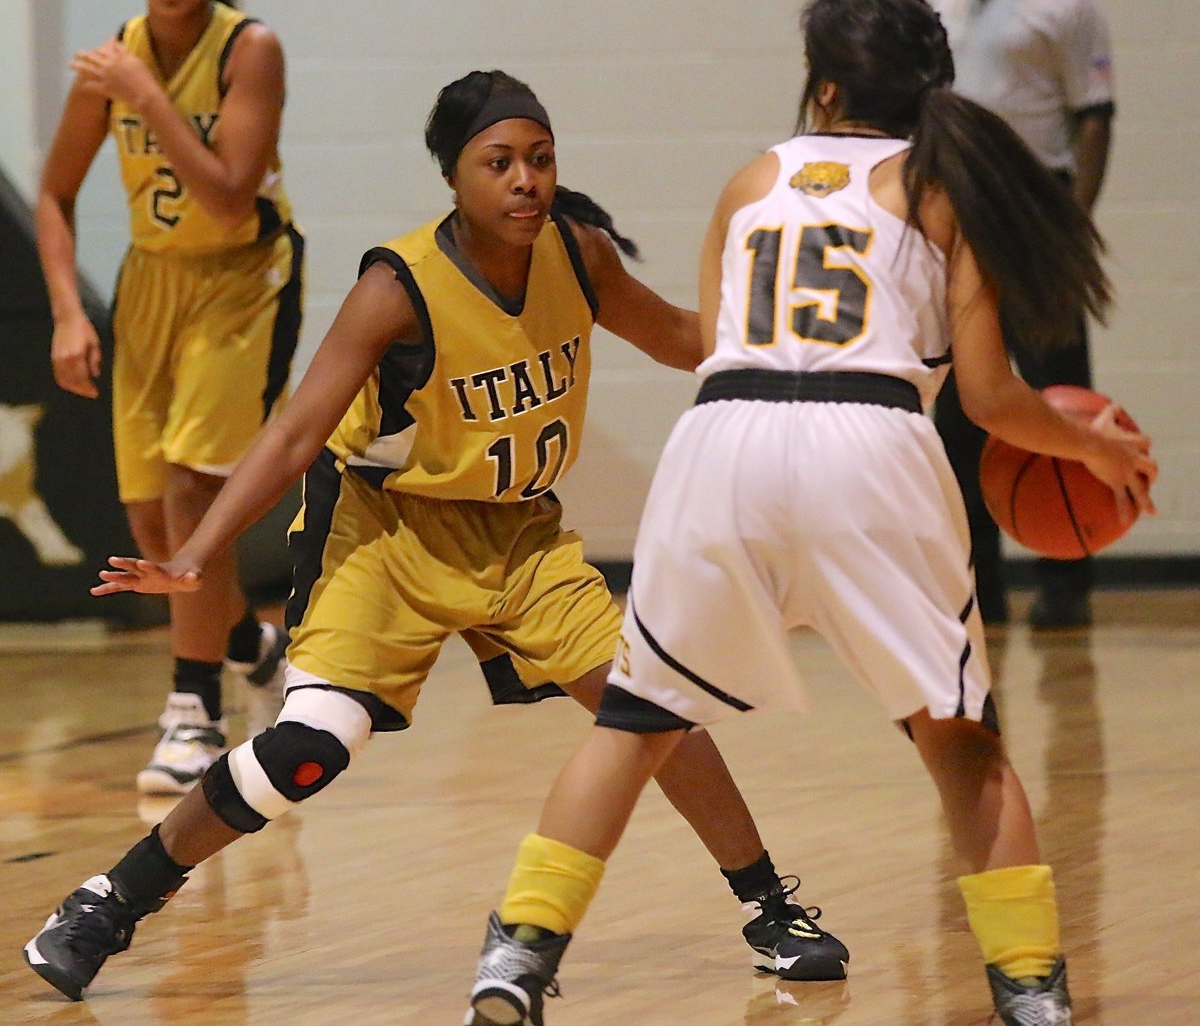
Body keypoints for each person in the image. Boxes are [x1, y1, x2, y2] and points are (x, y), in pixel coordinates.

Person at [22, 70, 849, 1003]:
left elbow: (671, 335)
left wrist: (798, 344)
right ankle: (112, 899)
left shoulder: (578, 253)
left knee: (649, 705)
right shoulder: (397, 286)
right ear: (454, 179)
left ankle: (770, 908)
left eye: (540, 159)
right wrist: (197, 554)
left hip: (518, 537)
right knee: (311, 747)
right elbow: (295, 433)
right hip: (386, 531)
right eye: (500, 162)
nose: (526, 180)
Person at [461, 0, 1156, 1026]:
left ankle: (516, 957)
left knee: (634, 722)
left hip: (721, 445)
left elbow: (714, 344)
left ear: (823, 88)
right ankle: (1031, 997)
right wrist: (1092, 447)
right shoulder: (941, 188)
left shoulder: (751, 180)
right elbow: (990, 397)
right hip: (868, 446)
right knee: (963, 740)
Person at [34, 0, 301, 793]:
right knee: (150, 521)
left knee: (193, 492)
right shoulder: (112, 61)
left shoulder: (248, 48)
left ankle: (194, 712)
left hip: (239, 278)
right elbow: (53, 195)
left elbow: (230, 193)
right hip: (152, 282)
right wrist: (70, 311)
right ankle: (254, 649)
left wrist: (144, 95)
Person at [932, 0, 1116, 628]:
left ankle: (1068, 580)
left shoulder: (1064, 4)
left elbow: (1096, 116)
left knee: (1055, 394)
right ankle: (985, 584)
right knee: (963, 408)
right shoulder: (944, 10)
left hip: (1039, 214)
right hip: (967, 213)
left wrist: (1071, 226)